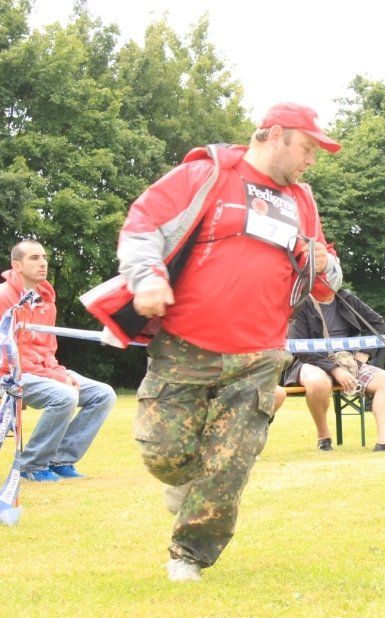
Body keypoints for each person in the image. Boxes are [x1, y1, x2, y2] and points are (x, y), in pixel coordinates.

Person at [81, 103, 345, 582]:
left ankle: (189, 555)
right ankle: (188, 485)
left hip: (260, 355)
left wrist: (324, 265)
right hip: (185, 346)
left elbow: (325, 280)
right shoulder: (206, 175)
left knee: (229, 464)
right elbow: (142, 226)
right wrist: (147, 277)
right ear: (275, 135)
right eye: (307, 147)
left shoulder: (302, 201)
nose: (311, 160)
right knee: (163, 454)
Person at [0, 240, 116, 482]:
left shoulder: (46, 301)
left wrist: (61, 373)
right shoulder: (4, 297)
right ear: (17, 266)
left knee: (103, 394)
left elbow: (47, 349)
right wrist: (57, 378)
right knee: (65, 395)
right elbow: (10, 354)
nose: (43, 263)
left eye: (44, 257)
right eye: (34, 258)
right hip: (8, 372)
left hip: (40, 371)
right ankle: (32, 465)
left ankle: (61, 460)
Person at [275, 290, 385, 453]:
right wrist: (335, 370)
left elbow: (377, 324)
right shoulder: (300, 302)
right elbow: (300, 348)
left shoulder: (346, 298)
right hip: (309, 362)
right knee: (318, 383)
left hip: (348, 360)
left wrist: (365, 353)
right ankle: (324, 437)